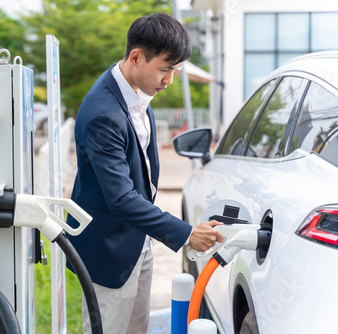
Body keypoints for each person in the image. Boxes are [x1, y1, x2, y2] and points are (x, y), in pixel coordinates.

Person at [66, 12, 223, 334]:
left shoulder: (136, 91)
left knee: (137, 328)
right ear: (136, 57)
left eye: (175, 71)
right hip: (109, 249)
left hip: (138, 239)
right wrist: (186, 233)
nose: (169, 80)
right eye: (165, 69)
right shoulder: (103, 114)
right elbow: (121, 197)